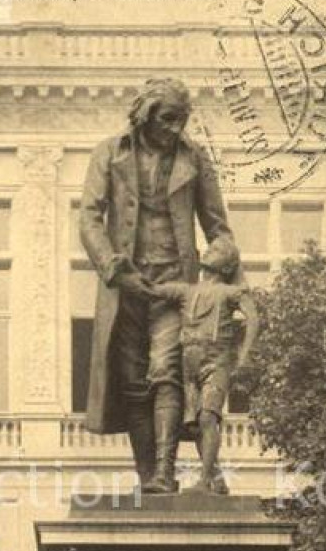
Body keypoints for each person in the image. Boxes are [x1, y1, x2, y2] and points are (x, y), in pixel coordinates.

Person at [79, 77, 232, 493]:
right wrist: (112, 265)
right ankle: (148, 477)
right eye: (167, 119)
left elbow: (219, 228)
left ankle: (165, 473)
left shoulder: (196, 160)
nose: (175, 129)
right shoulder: (109, 154)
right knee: (133, 382)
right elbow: (90, 218)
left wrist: (221, 261)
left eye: (181, 121)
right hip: (124, 284)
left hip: (174, 284)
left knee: (166, 372)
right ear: (146, 115)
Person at [153, 236, 259, 495]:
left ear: (227, 266)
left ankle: (204, 481)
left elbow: (253, 319)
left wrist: (244, 355)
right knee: (196, 424)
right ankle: (218, 479)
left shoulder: (232, 292)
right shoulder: (187, 291)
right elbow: (151, 290)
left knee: (208, 417)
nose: (212, 250)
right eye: (211, 247)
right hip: (190, 365)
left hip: (216, 362)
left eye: (219, 250)